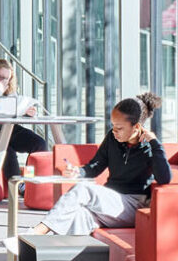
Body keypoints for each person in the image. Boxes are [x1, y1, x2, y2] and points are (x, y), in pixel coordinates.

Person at [17, 92, 170, 244]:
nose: (114, 132)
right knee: (80, 216)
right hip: (110, 202)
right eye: (113, 126)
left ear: (136, 127)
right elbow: (96, 165)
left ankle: (36, 233)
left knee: (84, 189)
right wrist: (79, 171)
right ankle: (54, 257)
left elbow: (165, 177)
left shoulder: (150, 148)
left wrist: (155, 143)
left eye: (119, 128)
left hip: (131, 205)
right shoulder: (113, 138)